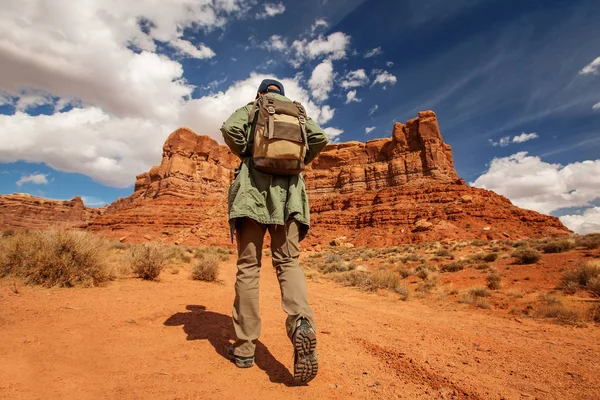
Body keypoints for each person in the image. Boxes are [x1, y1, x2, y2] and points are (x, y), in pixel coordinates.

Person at [220, 78, 328, 383]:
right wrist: (296, 162)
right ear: (281, 93)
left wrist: (250, 153)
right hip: (289, 197)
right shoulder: (296, 112)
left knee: (248, 269)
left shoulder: (255, 108)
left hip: (251, 196)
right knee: (288, 263)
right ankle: (301, 323)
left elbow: (229, 129)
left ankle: (244, 349)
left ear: (260, 93)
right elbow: (320, 137)